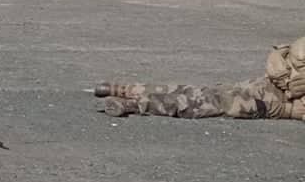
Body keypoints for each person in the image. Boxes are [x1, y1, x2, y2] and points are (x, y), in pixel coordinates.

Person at [91, 36, 305, 120]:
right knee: (203, 94)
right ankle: (131, 91)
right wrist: (280, 59)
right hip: (266, 90)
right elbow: (292, 51)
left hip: (270, 104)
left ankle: (134, 101)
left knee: (204, 102)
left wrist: (288, 110)